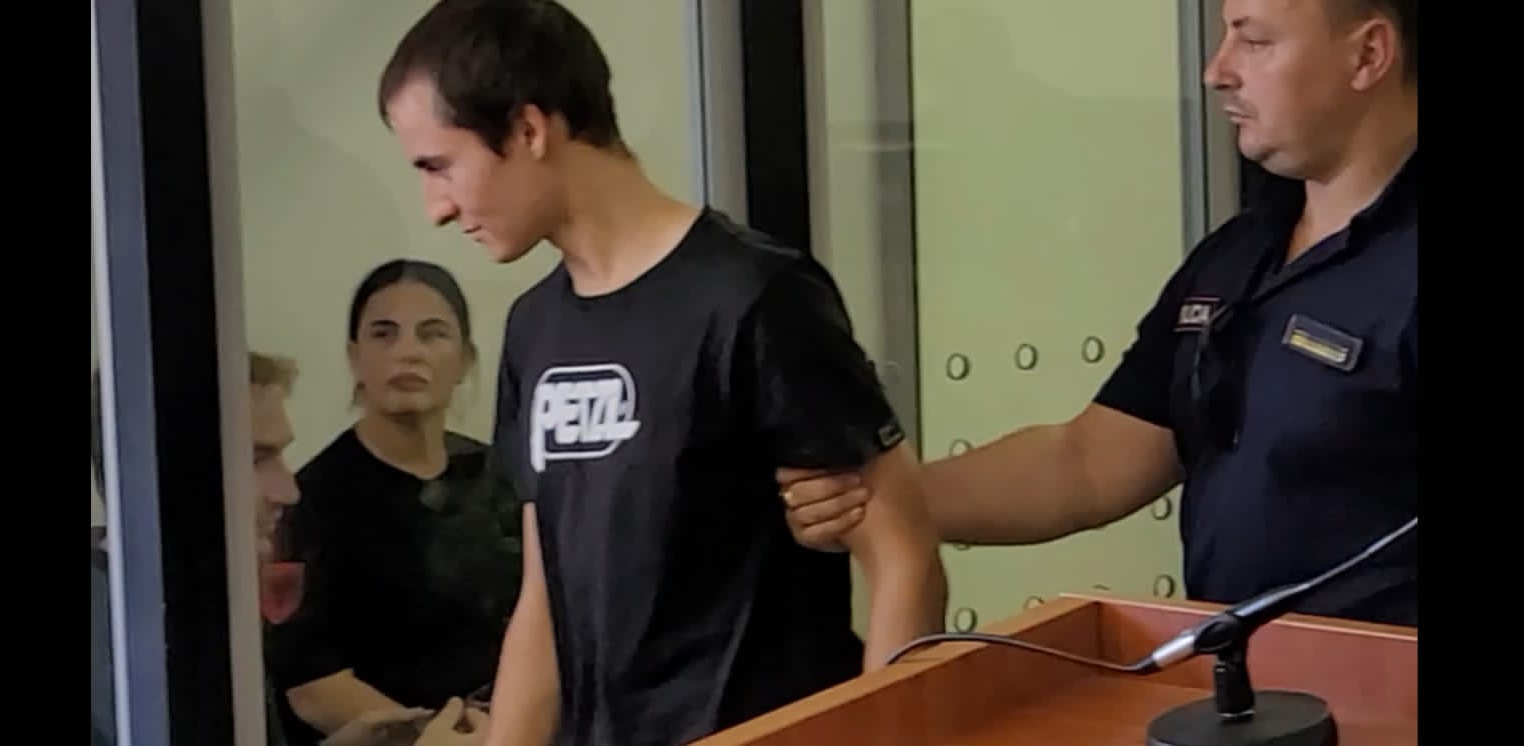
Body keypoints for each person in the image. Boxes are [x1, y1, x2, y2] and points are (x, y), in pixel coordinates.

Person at [376, 1, 949, 744]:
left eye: (440, 166)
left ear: (528, 130)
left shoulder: (756, 297)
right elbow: (544, 604)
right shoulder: (533, 328)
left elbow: (905, 555)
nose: (436, 209)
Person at [782, 0, 1418, 627]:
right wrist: (881, 498)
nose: (1216, 71)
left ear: (1368, 55)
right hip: (1238, 681)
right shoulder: (1241, 254)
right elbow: (1087, 464)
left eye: (1254, 42)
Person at [90, 355, 486, 745]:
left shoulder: (197, 613)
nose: (289, 491)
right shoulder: (116, 645)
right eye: (257, 460)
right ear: (161, 470)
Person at [266, 260, 521, 744]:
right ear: (354, 357)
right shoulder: (309, 500)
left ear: (465, 360)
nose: (408, 352)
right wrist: (435, 737)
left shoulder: (497, 477)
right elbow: (313, 688)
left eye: (432, 334)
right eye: (384, 334)